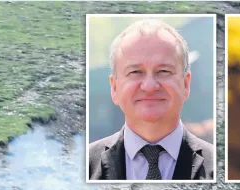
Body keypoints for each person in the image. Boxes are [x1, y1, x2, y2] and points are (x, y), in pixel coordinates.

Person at [89, 19, 214, 181]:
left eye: (163, 71)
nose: (149, 86)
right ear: (114, 88)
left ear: (185, 84)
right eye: (135, 72)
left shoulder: (218, 167)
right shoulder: (84, 167)